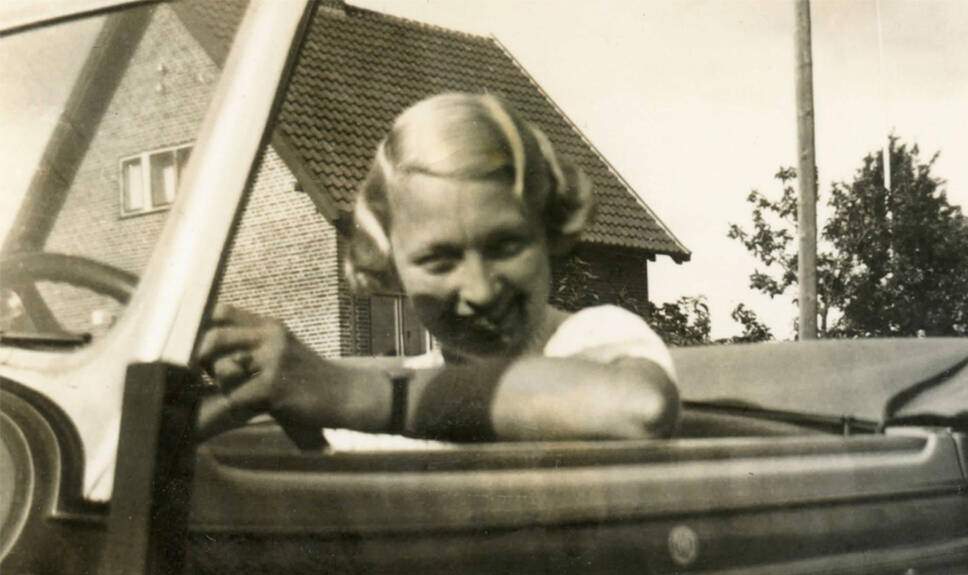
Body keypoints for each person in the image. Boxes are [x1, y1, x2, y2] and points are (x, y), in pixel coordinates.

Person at [197, 93, 679, 444]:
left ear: (550, 235)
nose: (481, 290)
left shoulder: (594, 338)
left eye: (506, 246)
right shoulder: (404, 398)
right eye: (439, 260)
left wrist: (347, 391)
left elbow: (637, 406)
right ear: (389, 266)